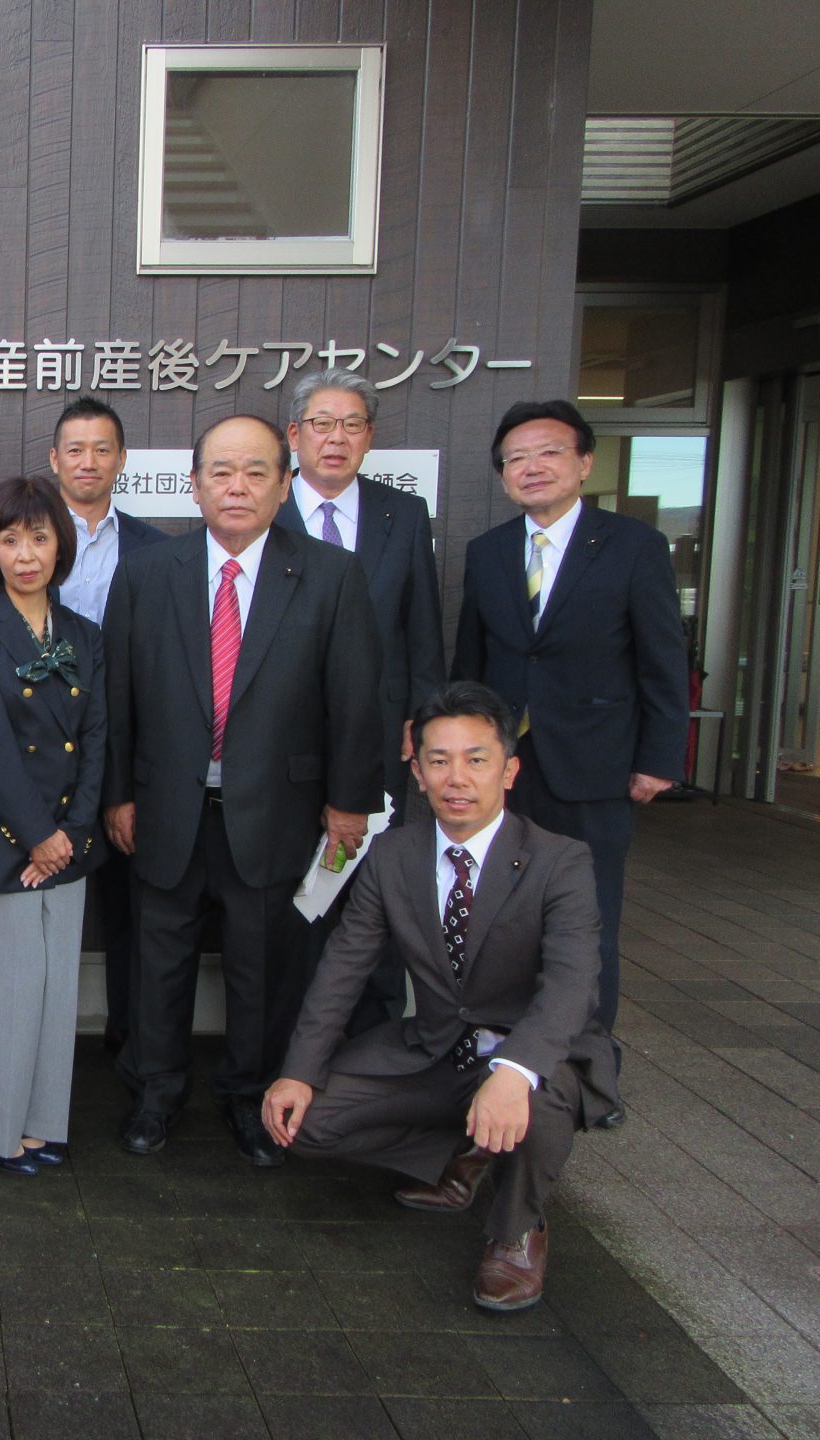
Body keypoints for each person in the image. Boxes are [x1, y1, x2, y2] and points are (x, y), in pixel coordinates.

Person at [262, 682, 619, 1311]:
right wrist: (298, 1071)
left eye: (476, 759)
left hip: (536, 1054)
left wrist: (514, 1071)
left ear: (508, 771)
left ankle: (517, 1230)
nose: (457, 778)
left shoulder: (559, 861)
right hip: (436, 1050)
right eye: (439, 760)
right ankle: (465, 1151)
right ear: (418, 772)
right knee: (304, 1123)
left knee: (535, 1098)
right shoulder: (392, 855)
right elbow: (343, 967)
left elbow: (572, 984)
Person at [104, 414, 382, 1166]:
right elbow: (119, 695)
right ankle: (155, 1093)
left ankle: (249, 1097)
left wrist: (349, 803)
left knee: (264, 969)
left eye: (257, 471)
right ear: (193, 486)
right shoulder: (147, 573)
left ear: (285, 485)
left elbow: (356, 699)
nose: (238, 486)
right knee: (159, 963)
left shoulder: (330, 575)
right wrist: (117, 795)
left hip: (279, 813)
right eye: (221, 472)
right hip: (165, 809)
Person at [451, 399, 688, 1086]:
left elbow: (662, 660)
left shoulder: (632, 545)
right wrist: (463, 756)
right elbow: (473, 660)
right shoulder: (489, 552)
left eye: (549, 452)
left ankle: (587, 1072)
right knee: (499, 918)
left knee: (586, 923)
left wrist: (658, 759)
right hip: (504, 772)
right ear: (503, 475)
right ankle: (502, 1060)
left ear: (584, 463)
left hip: (595, 766)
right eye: (517, 458)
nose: (532, 467)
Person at [0, 478, 108, 1175]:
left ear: (61, 545)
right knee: (2, 994)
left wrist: (73, 832)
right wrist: (38, 834)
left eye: (39, 537)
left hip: (67, 841)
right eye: (10, 540)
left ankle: (42, 1123)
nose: (26, 554)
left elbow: (96, 738)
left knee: (55, 989)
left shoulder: (85, 635)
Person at [280, 369, 447, 1032]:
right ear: (295, 434)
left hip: (380, 738)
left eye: (351, 425)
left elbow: (423, 627)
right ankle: (293, 1040)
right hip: (283, 739)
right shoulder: (266, 509)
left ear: (370, 437)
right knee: (293, 891)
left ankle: (376, 1042)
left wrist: (423, 720)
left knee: (377, 888)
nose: (336, 438)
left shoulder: (401, 514)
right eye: (321, 424)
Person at [45, 396, 167, 1052]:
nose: (88, 461)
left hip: (128, 750)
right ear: (54, 459)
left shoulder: (158, 550)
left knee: (132, 911)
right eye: (75, 449)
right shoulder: (24, 540)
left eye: (102, 449)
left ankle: (130, 1048)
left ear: (122, 459)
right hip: (43, 752)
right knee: (40, 905)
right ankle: (40, 1051)